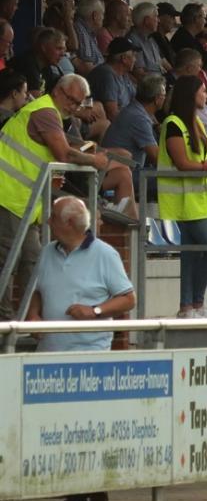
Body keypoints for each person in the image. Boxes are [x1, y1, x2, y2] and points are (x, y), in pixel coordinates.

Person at [29, 196, 135, 501]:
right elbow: (37, 289)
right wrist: (33, 315)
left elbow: (128, 298)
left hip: (87, 355)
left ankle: (87, 489)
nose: (48, 223)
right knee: (54, 428)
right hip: (50, 353)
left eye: (53, 218)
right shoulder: (48, 253)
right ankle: (81, 492)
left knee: (78, 426)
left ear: (70, 224)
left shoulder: (105, 255)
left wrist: (95, 311)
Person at [0, 73, 114, 319]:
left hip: (25, 204)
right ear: (59, 92)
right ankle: (6, 326)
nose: (73, 108)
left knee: (32, 260)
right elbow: (64, 153)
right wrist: (95, 160)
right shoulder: (45, 112)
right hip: (8, 198)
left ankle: (28, 320)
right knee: (7, 265)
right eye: (72, 101)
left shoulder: (50, 113)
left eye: (78, 104)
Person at [157, 74, 207, 319]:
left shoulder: (197, 122)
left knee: (191, 253)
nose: (206, 95)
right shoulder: (173, 123)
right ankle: (196, 301)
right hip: (185, 201)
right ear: (190, 94)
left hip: (201, 201)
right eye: (203, 91)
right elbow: (183, 163)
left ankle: (188, 307)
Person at [101, 73, 165, 174]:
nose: (164, 99)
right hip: (121, 174)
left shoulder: (135, 110)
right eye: (163, 96)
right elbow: (156, 157)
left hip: (123, 171)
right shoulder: (139, 118)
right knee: (172, 178)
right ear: (157, 99)